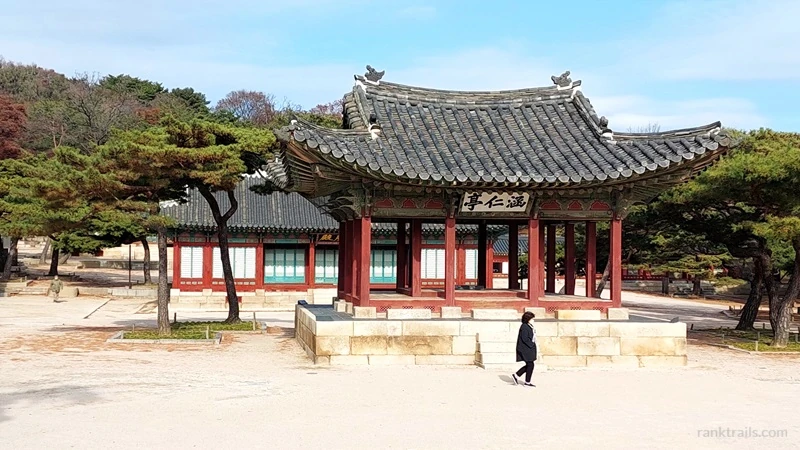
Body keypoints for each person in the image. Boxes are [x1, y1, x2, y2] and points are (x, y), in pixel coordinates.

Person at [512, 311, 537, 387]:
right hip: (525, 349)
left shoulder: (529, 326)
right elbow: (524, 338)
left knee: (530, 365)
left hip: (528, 348)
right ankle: (526, 381)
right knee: (530, 364)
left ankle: (517, 376)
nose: (533, 320)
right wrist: (531, 344)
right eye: (532, 319)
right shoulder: (524, 327)